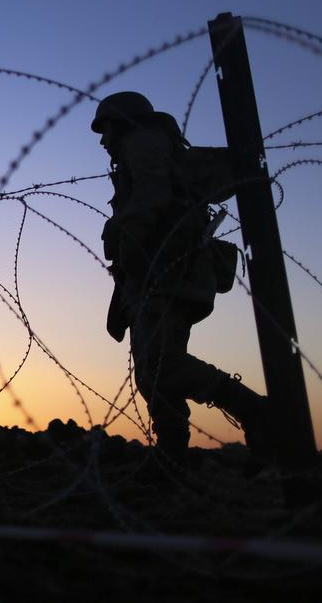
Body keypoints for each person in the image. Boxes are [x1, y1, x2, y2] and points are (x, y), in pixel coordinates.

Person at [94, 91, 269, 465]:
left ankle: (255, 411)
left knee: (162, 366)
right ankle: (172, 456)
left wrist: (130, 245)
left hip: (169, 274)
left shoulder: (142, 143)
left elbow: (150, 196)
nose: (102, 139)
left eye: (104, 128)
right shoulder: (138, 150)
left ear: (123, 121)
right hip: (160, 276)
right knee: (152, 371)